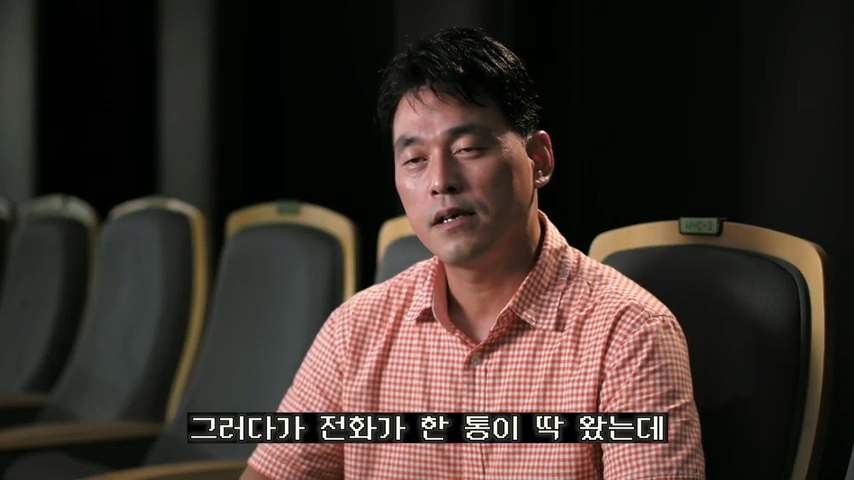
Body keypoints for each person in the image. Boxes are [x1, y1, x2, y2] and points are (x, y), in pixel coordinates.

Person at [242, 27, 705, 479]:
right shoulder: (355, 331)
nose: (441, 181)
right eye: (415, 160)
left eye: (468, 148)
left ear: (539, 159)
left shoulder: (629, 333)